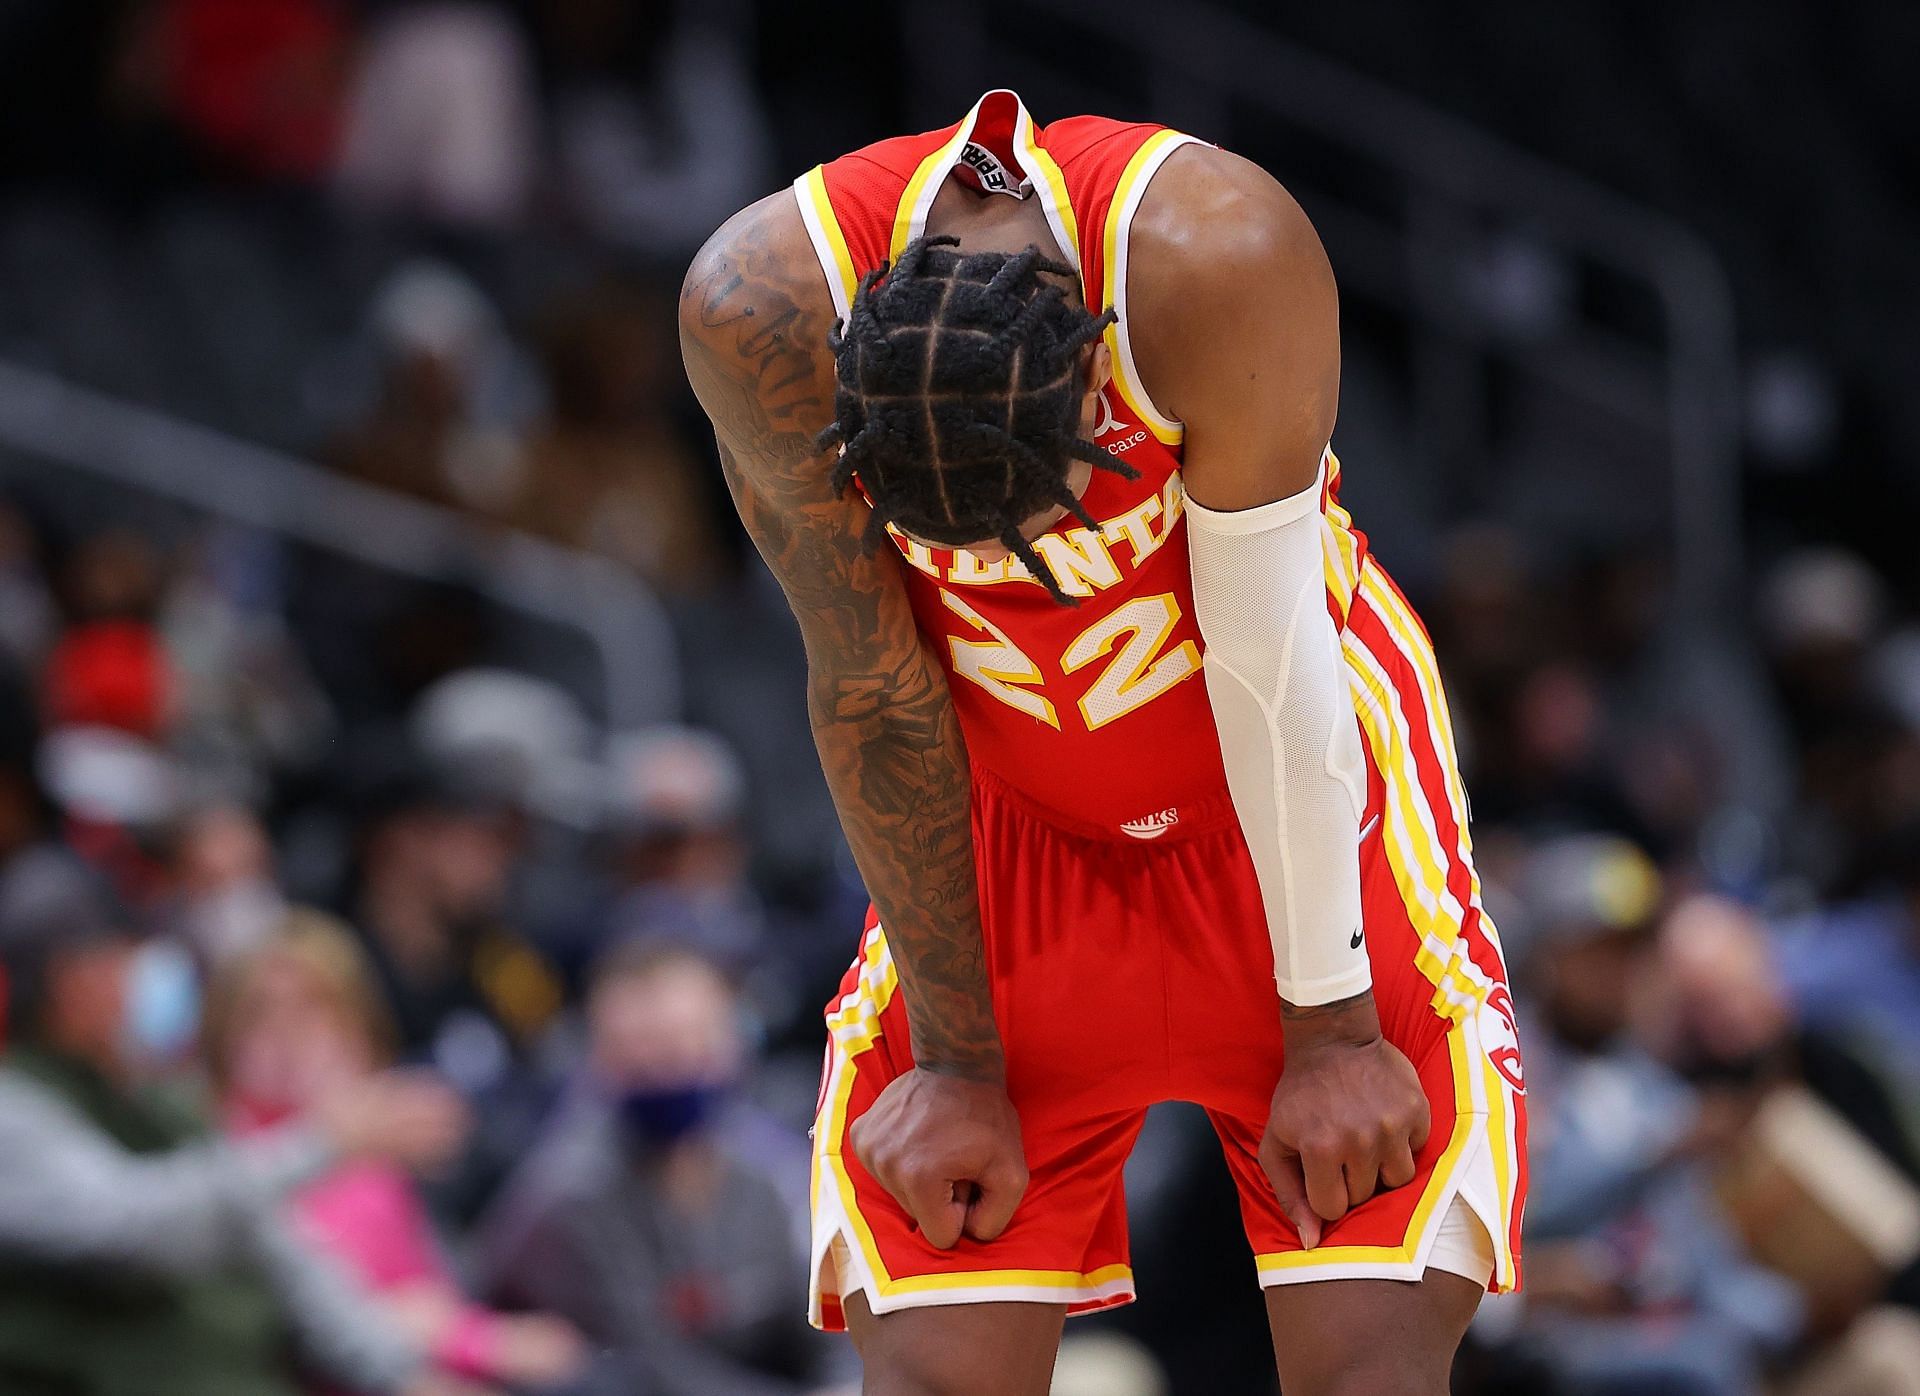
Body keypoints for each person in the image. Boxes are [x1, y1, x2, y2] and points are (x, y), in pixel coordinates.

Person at [678, 89, 1526, 1394]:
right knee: (934, 1358)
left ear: (1096, 370)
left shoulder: (1217, 256)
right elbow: (871, 684)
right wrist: (960, 1061)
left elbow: (1266, 651)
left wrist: (1338, 1034)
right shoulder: (761, 306)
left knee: (1371, 1361)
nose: (999, 564)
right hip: (1010, 814)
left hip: (1290, 808)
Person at [0, 846, 469, 1396]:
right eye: (119, 958)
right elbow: (131, 1223)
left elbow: (271, 1240)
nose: (137, 975)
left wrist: (403, 1372)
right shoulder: (16, 1111)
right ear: (68, 980)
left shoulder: (153, 1099)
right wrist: (322, 1142)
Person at [205, 910, 590, 1394]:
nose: (287, 1034)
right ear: (222, 1034)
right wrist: (478, 1342)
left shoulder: (375, 1145)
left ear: (358, 1032)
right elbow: (320, 1320)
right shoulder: (220, 1148)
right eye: (261, 1012)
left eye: (312, 1010)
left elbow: (429, 1290)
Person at [479, 941, 846, 1395]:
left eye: (688, 1041)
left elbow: (823, 1322)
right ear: (599, 1058)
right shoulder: (568, 1194)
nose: (671, 1068)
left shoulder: (767, 1169)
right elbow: (656, 1373)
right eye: (644, 1048)